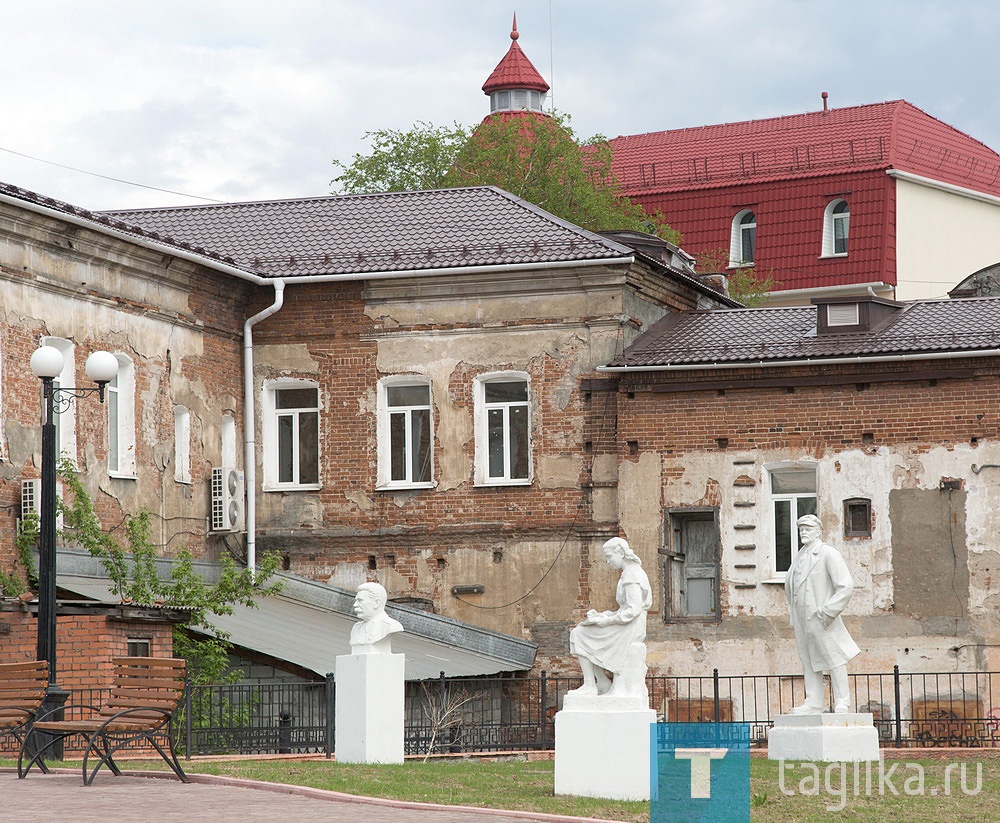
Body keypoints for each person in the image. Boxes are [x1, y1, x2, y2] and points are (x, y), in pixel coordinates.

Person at [785, 514, 860, 714]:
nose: (803, 532)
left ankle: (843, 701)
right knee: (808, 658)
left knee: (834, 658)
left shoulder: (828, 553)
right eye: (801, 529)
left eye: (808, 529)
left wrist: (828, 612)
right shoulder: (800, 556)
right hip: (802, 617)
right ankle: (814, 701)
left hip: (821, 617)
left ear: (818, 531)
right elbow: (792, 585)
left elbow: (845, 585)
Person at [568, 537, 652, 698]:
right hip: (627, 624)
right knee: (583, 630)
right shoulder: (629, 573)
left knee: (579, 634)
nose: (607, 562)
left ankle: (590, 684)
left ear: (620, 553)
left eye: (609, 557)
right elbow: (626, 609)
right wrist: (603, 615)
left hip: (631, 628)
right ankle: (601, 682)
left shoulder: (632, 575)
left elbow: (633, 611)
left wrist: (607, 620)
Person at [349, 582, 404, 653]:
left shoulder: (390, 626)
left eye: (360, 600)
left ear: (376, 603)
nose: (355, 605)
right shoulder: (356, 628)